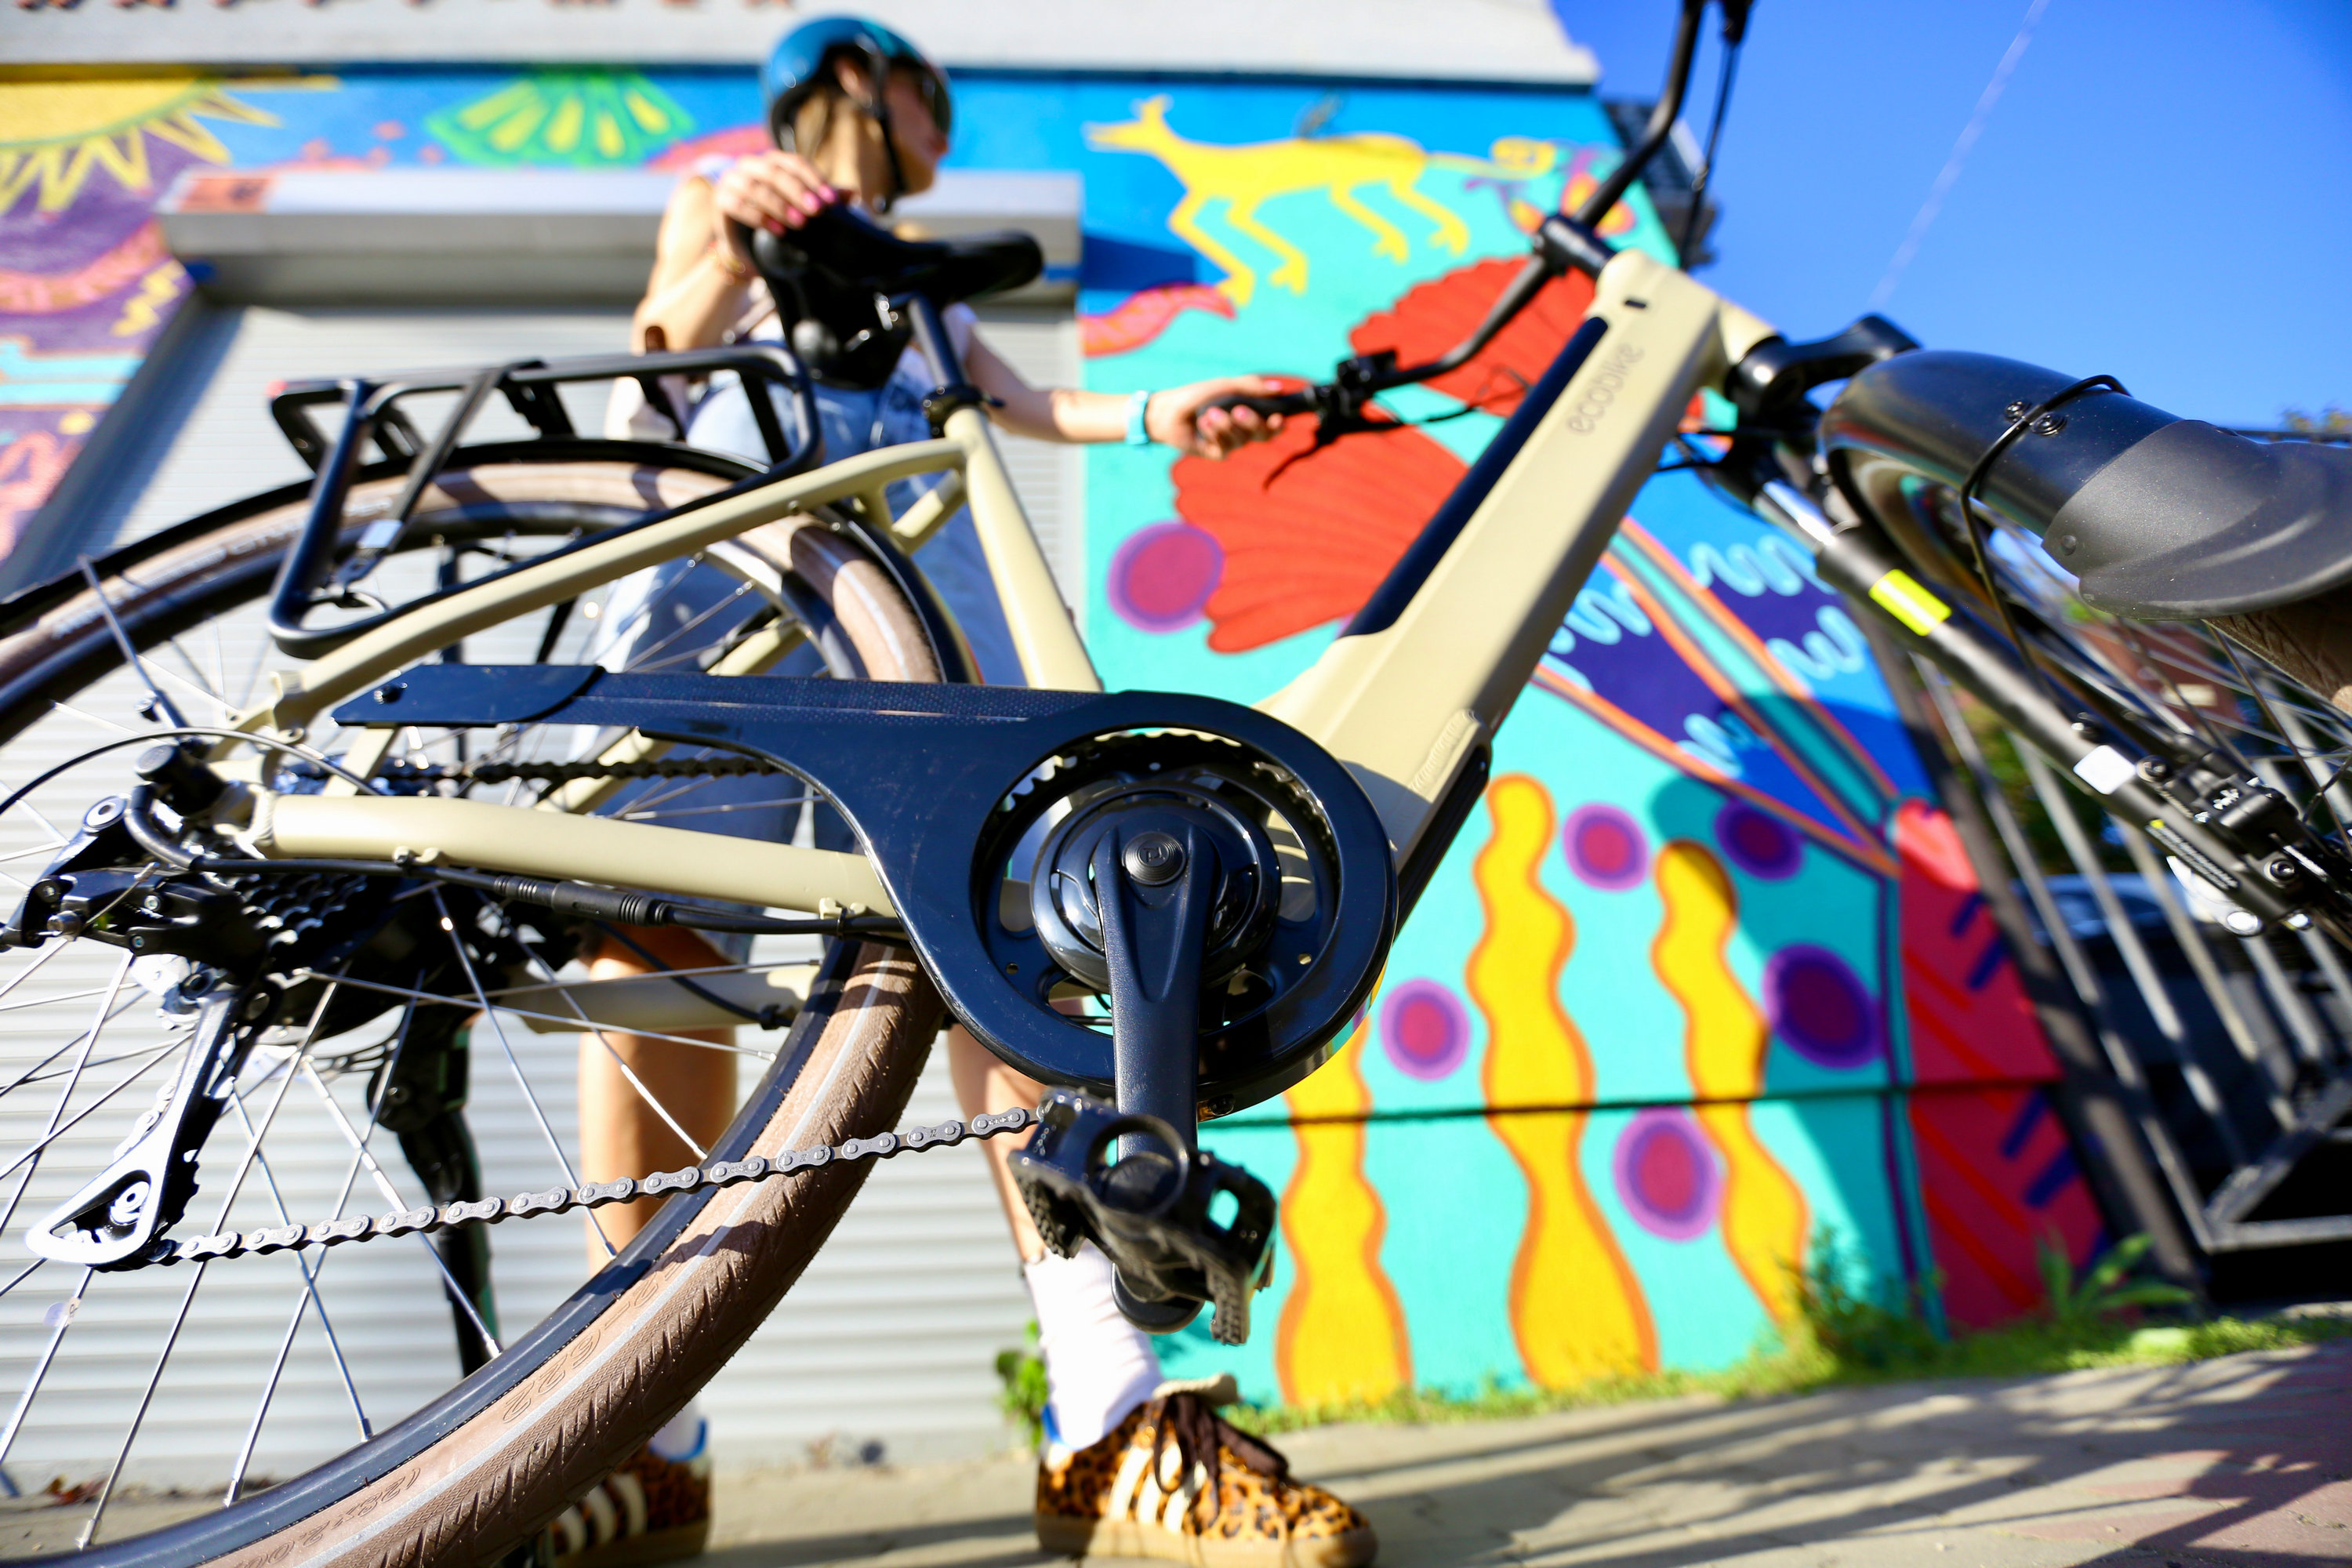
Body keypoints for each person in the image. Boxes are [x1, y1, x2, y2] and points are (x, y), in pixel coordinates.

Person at [559, 17, 1377, 1568]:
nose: (940, 124)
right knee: (657, 931)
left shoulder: (928, 270)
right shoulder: (723, 190)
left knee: (1020, 941)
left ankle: (1106, 1401)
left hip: (931, 563)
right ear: (856, 84)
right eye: (925, 95)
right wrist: (731, 244)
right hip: (741, 544)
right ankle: (639, 1435)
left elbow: (1011, 401)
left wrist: (1156, 412)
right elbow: (659, 352)